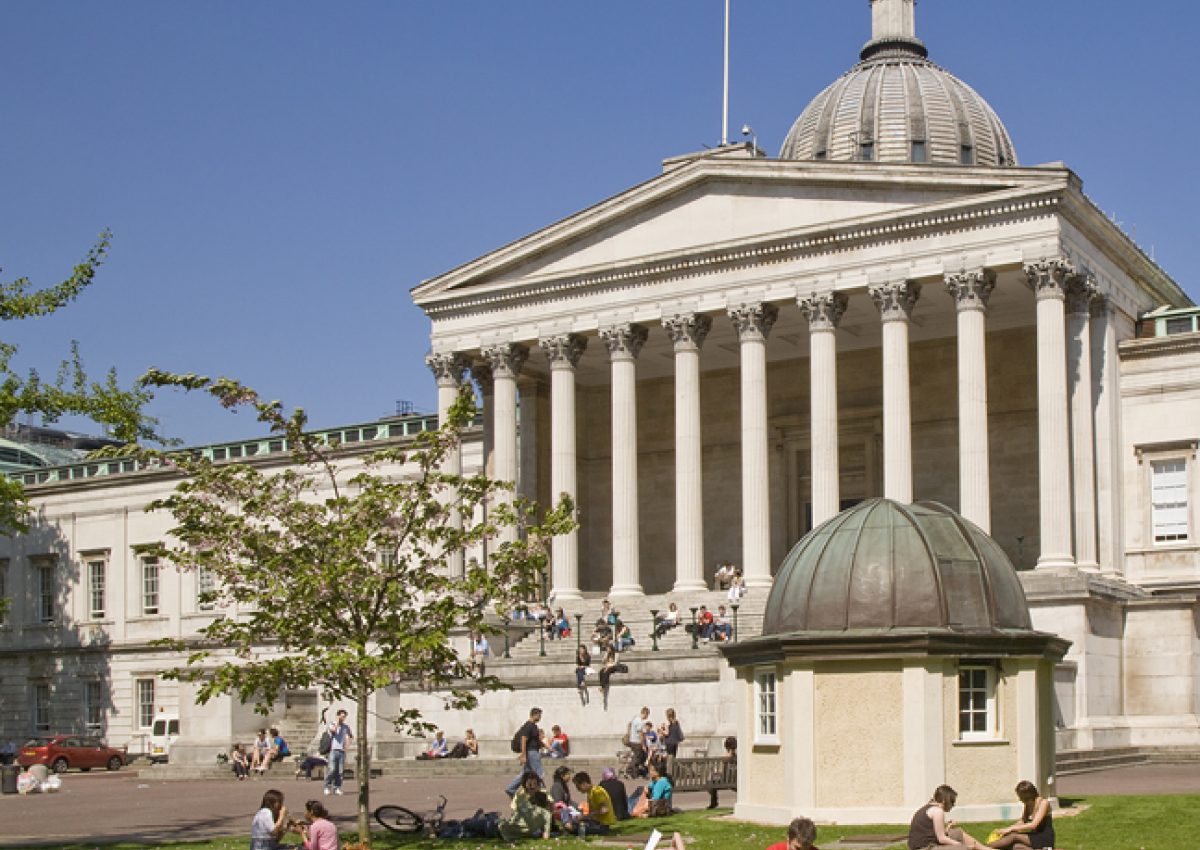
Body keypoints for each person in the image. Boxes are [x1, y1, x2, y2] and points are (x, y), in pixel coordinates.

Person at [908, 785, 988, 850]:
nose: (953, 805)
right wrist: (961, 846)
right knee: (962, 849)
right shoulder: (937, 811)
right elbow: (941, 839)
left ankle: (984, 848)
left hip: (927, 844)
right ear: (944, 801)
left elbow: (935, 834)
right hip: (924, 848)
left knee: (957, 833)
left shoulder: (930, 808)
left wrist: (949, 827)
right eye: (952, 802)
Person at [986, 781, 1054, 849]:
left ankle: (982, 848)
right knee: (1015, 846)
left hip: (1044, 838)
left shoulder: (1044, 803)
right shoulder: (1028, 804)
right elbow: (1022, 821)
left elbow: (1033, 825)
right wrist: (1006, 830)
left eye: (1020, 796)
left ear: (1027, 794)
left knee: (1014, 836)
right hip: (1034, 836)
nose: (1019, 799)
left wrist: (1010, 829)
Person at [499, 771, 553, 841]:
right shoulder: (520, 795)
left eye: (534, 784)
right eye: (529, 784)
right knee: (492, 823)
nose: (532, 786)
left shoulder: (543, 793)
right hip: (518, 825)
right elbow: (514, 812)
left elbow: (550, 807)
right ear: (525, 784)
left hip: (538, 825)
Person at [506, 707, 544, 796]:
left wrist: (547, 747)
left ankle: (511, 788)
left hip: (531, 751)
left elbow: (535, 740)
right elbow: (524, 739)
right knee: (539, 772)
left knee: (525, 774)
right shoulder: (529, 725)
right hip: (532, 752)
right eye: (540, 715)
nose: (540, 718)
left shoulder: (533, 726)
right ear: (535, 715)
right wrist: (523, 754)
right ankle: (542, 792)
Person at [322, 709, 353, 797]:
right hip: (333, 750)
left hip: (341, 751)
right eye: (342, 716)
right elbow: (333, 731)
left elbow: (350, 736)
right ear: (338, 716)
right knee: (332, 769)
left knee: (340, 771)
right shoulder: (332, 724)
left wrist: (347, 745)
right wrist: (337, 723)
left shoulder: (346, 727)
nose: (343, 718)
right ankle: (327, 786)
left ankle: (337, 787)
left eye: (344, 717)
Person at [707, 736, 735, 809]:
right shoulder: (737, 756)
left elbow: (721, 770)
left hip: (725, 780)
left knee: (710, 782)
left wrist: (714, 774)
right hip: (735, 780)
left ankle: (714, 802)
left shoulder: (725, 757)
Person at [627, 706, 651, 776]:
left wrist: (629, 735)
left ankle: (636, 770)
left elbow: (629, 724)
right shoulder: (639, 721)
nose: (647, 717)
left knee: (638, 756)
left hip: (632, 740)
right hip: (636, 742)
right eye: (647, 715)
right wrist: (643, 745)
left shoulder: (635, 718)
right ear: (645, 713)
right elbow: (640, 734)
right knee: (637, 757)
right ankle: (632, 771)